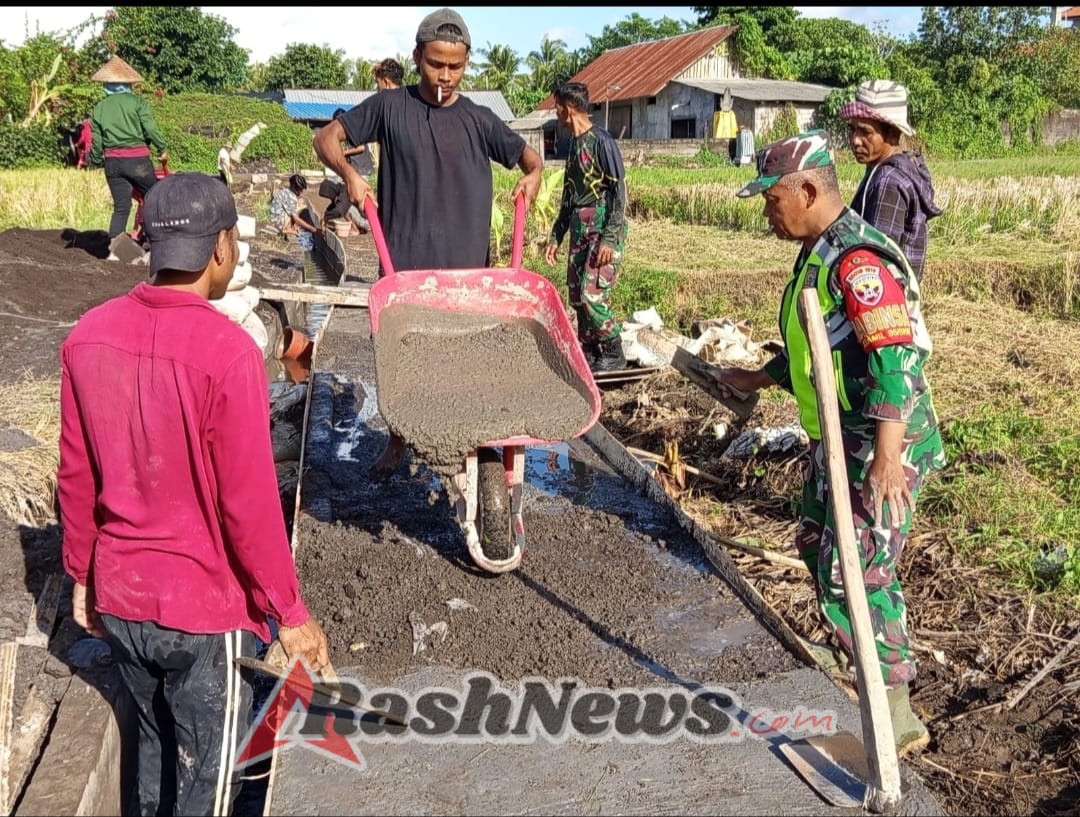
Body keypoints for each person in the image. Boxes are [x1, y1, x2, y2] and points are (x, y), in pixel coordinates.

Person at [57, 171, 330, 815]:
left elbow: (77, 478)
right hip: (205, 614)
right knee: (209, 780)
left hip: (122, 598)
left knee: (152, 750)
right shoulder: (228, 352)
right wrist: (289, 612)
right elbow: (250, 505)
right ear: (222, 249)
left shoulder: (86, 336)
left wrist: (81, 574)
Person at [714, 130, 946, 756]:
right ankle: (850, 651)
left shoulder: (858, 263)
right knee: (818, 542)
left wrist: (889, 460)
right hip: (838, 437)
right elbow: (821, 344)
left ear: (809, 190)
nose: (767, 211)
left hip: (879, 443)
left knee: (862, 572)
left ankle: (895, 713)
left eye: (772, 199)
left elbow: (894, 361)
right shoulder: (817, 252)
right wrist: (759, 376)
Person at [312, 6, 543, 477]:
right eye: (436, 63)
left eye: (455, 66)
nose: (445, 75)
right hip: (405, 265)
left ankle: (478, 439)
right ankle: (399, 439)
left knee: (470, 361)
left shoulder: (479, 119)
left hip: (467, 272)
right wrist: (351, 175)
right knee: (400, 359)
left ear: (467, 63)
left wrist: (535, 175)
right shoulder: (389, 107)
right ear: (417, 56)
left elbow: (528, 158)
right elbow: (327, 139)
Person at [544, 81, 629, 372]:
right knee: (576, 294)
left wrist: (609, 238)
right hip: (580, 225)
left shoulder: (601, 142)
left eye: (557, 108)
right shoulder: (574, 146)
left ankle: (613, 350)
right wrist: (556, 235)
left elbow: (619, 193)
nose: (555, 113)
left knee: (592, 292)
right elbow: (568, 196)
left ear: (568, 109)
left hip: (601, 224)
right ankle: (593, 351)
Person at [839, 79, 942, 283]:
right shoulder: (887, 170)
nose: (855, 140)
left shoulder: (888, 181)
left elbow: (876, 265)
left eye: (866, 132)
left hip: (883, 303)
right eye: (853, 129)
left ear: (893, 132)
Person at [88, 55, 168, 240]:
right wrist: (162, 148)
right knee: (154, 199)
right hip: (138, 162)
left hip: (113, 164)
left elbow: (97, 143)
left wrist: (95, 160)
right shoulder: (137, 103)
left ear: (107, 84)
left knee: (121, 208)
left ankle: (115, 250)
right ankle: (155, 242)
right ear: (129, 83)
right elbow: (150, 129)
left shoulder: (99, 108)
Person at [268, 173, 324, 251]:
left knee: (298, 207)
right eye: (299, 190)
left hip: (275, 218)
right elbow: (296, 218)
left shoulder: (286, 191)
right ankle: (286, 229)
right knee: (297, 210)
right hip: (277, 221)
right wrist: (314, 229)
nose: (301, 193)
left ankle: (289, 227)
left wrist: (294, 224)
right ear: (293, 187)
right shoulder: (290, 196)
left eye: (301, 190)